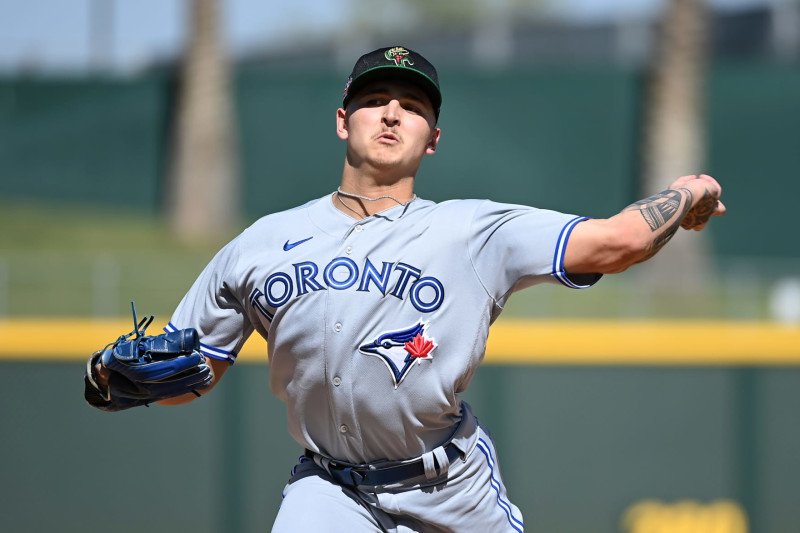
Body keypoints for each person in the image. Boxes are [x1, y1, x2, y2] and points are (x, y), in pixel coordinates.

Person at [89, 46, 725, 532]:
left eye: (414, 106)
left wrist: (689, 192)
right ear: (344, 122)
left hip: (450, 486)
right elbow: (190, 373)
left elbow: (617, 242)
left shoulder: (472, 231)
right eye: (376, 99)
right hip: (330, 489)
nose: (393, 112)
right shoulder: (259, 244)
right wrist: (113, 380)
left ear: (433, 138)